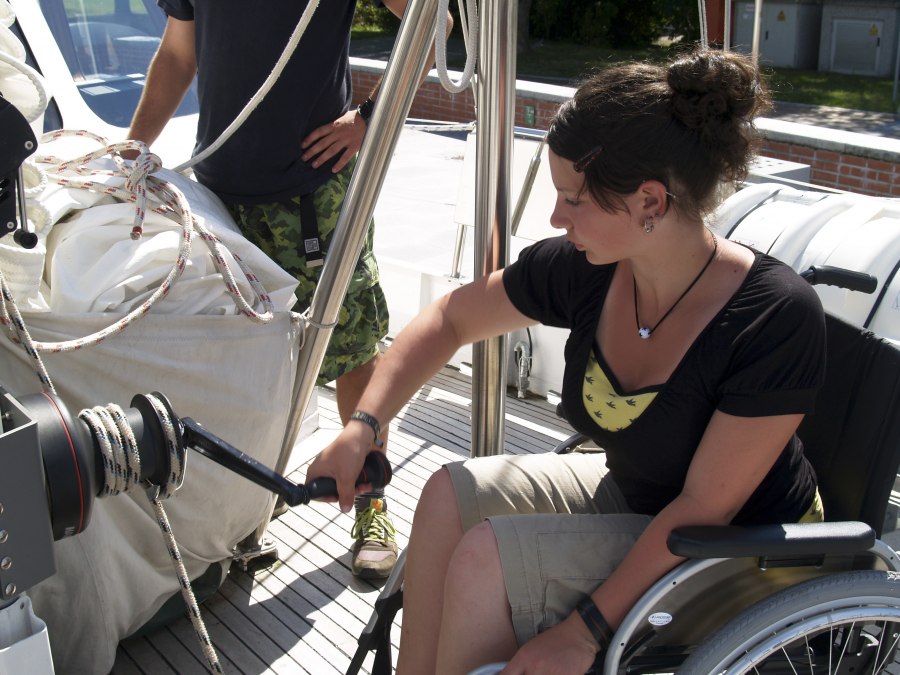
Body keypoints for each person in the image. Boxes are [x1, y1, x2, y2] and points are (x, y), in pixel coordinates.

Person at [306, 46, 828, 673]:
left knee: (484, 564)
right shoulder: (589, 271)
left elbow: (701, 510)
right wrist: (363, 426)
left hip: (738, 553)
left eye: (573, 199)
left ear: (650, 203)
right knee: (447, 495)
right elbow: (450, 319)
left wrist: (584, 632)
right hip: (637, 500)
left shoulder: (773, 318)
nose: (555, 217)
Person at [127, 0, 450, 579]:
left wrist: (370, 116)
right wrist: (132, 153)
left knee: (349, 347)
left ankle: (371, 502)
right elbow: (179, 55)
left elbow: (435, 24)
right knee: (242, 353)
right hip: (219, 192)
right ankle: (246, 508)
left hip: (311, 193)